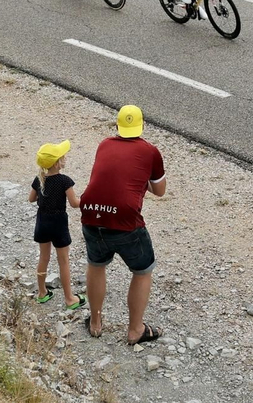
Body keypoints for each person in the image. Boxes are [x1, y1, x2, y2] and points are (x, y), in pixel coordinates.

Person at [79, 105, 166, 345]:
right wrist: (144, 177)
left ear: (117, 126)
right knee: (142, 270)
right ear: (142, 126)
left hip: (91, 215)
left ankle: (95, 323)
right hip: (126, 222)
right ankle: (135, 329)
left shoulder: (104, 144)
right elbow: (160, 190)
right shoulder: (150, 151)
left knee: (96, 265)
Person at [28, 140, 84, 311]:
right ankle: (69, 298)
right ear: (57, 163)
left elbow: (31, 199)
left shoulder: (39, 180)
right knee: (63, 261)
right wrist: (86, 200)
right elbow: (74, 203)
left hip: (42, 222)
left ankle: (42, 292)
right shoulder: (65, 181)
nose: (65, 158)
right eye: (63, 156)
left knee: (43, 258)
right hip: (59, 223)